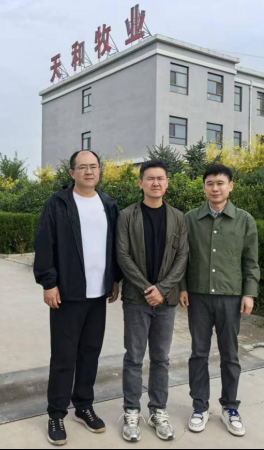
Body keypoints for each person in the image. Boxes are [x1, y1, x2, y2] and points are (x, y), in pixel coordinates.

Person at [34, 150, 122, 446]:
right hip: (68, 294)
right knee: (64, 356)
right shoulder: (58, 203)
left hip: (98, 295)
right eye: (82, 167)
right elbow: (44, 242)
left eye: (93, 166)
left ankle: (83, 405)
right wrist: (48, 283)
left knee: (90, 353)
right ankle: (56, 413)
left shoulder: (108, 204)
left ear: (100, 171)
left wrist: (115, 279)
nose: (88, 171)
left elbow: (114, 245)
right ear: (72, 173)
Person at [180, 164, 260, 438]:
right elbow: (182, 258)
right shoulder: (190, 219)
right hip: (198, 297)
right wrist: (182, 288)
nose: (215, 188)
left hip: (230, 297)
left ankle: (230, 407)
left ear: (230, 186)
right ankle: (199, 407)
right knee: (198, 354)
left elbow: (250, 261)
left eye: (220, 183)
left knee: (230, 355)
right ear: (204, 187)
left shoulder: (244, 220)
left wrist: (249, 293)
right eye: (210, 183)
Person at [116, 160, 189, 443]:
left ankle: (158, 410)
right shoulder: (127, 216)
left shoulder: (178, 218)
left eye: (160, 178)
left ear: (167, 182)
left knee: (161, 358)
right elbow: (123, 256)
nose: (156, 183)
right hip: (137, 299)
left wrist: (163, 289)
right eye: (150, 178)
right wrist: (148, 288)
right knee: (134, 358)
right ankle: (131, 412)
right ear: (141, 183)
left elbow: (182, 257)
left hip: (166, 301)